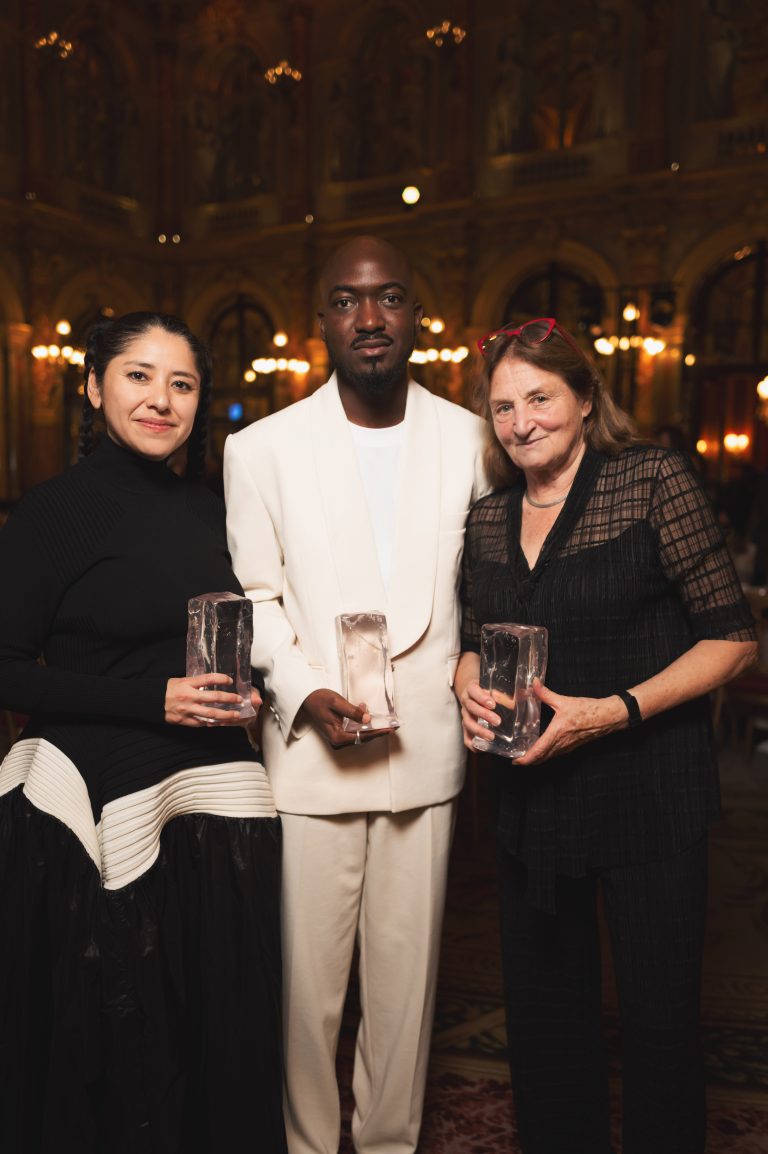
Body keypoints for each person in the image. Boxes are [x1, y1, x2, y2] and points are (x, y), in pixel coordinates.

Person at [454, 317, 757, 1154]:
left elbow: (732, 638)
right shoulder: (486, 520)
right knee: (546, 1021)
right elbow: (473, 640)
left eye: (541, 398)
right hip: (534, 800)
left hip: (649, 789)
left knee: (660, 1020)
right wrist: (468, 689)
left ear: (586, 399)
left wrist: (613, 710)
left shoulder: (652, 478)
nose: (522, 422)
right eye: (504, 406)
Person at [224, 235, 487, 1154]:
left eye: (388, 299)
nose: (369, 318)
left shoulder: (471, 436)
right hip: (310, 756)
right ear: (321, 319)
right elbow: (256, 599)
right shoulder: (260, 450)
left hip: (427, 749)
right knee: (307, 990)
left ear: (417, 314)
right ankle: (305, 1144)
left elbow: (489, 586)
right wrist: (302, 693)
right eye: (346, 301)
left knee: (408, 984)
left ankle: (387, 1146)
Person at [0, 312, 286, 1154]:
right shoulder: (52, 513)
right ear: (92, 387)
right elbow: (6, 668)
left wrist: (256, 695)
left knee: (211, 1039)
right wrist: (150, 702)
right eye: (138, 376)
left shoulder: (214, 509)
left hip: (215, 816)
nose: (161, 399)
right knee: (116, 1057)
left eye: (183, 383)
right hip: (93, 815)